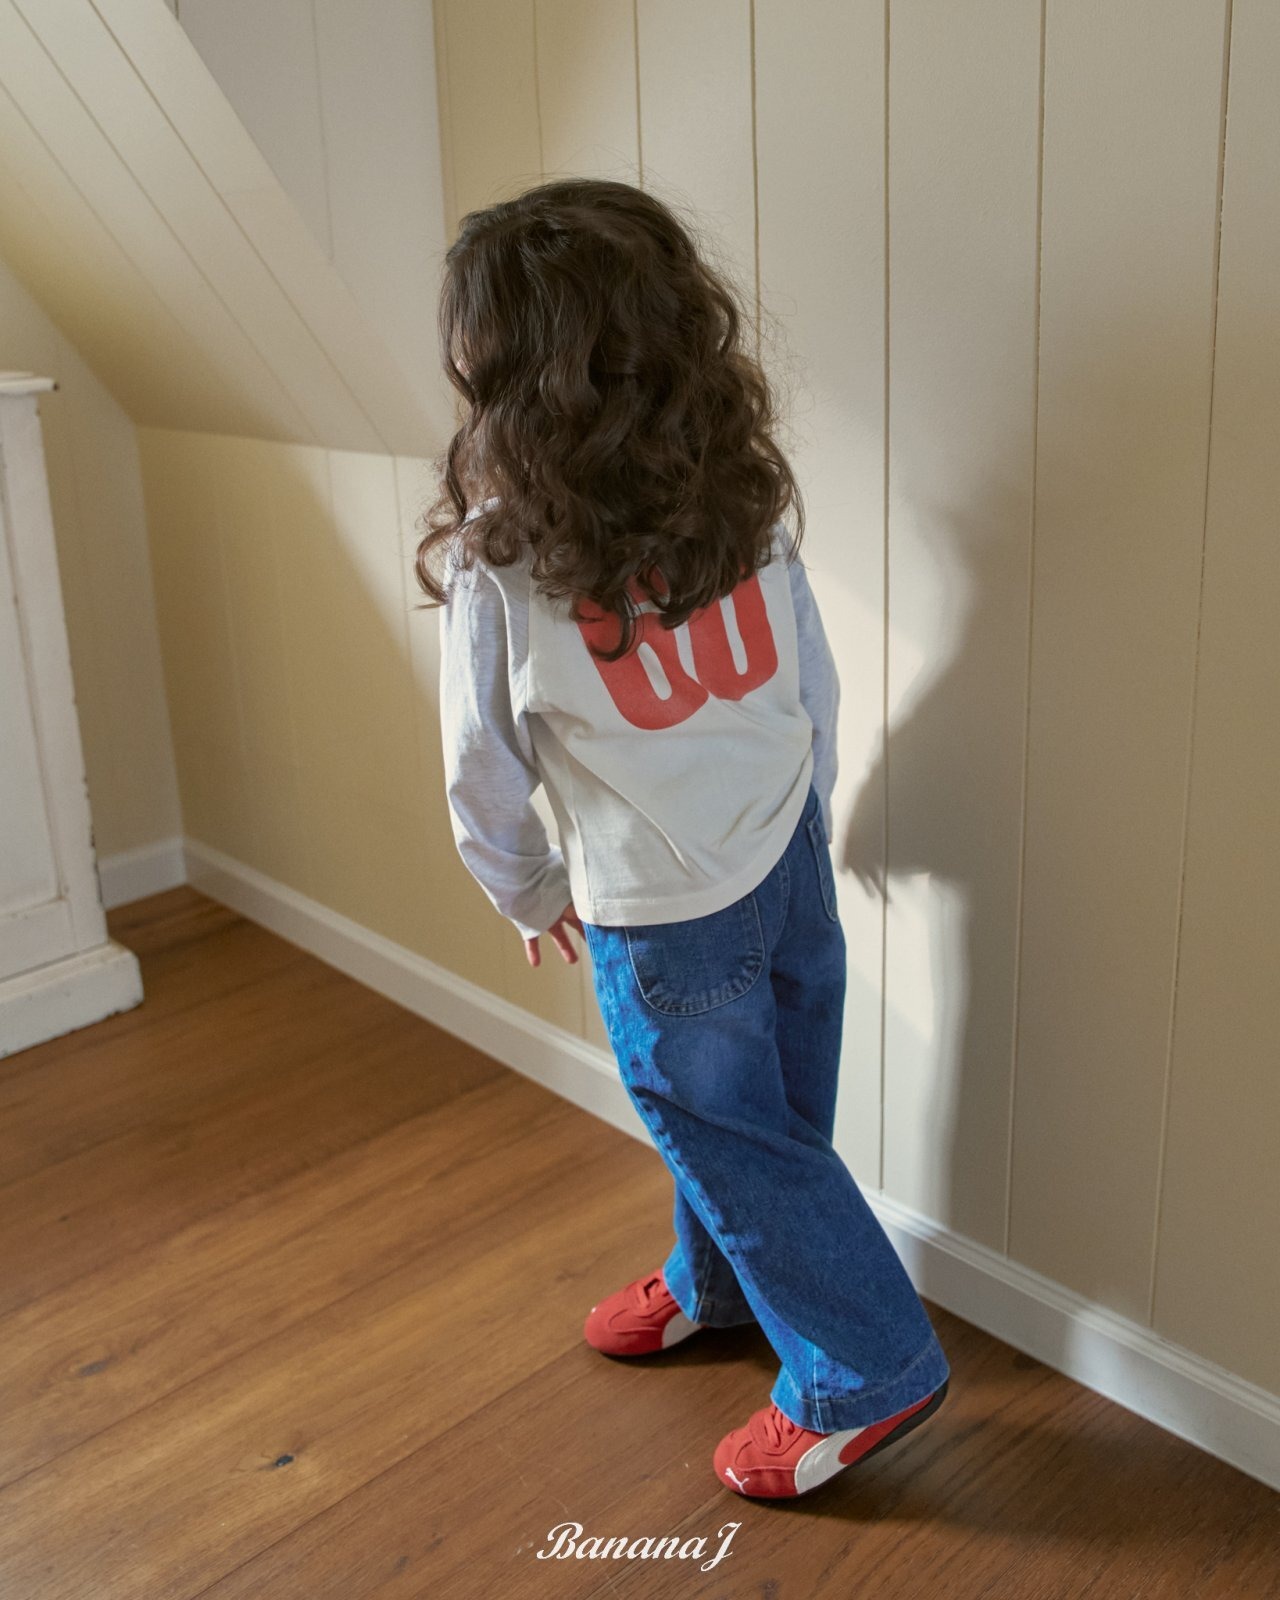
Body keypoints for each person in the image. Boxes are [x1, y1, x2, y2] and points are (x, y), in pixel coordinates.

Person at [415, 177, 949, 1499]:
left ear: (502, 371)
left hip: (664, 916)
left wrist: (523, 885)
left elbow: (480, 763)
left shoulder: (503, 557)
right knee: (767, 1116)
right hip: (785, 856)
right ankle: (720, 1288)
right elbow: (810, 682)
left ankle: (866, 1368)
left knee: (733, 1134)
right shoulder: (736, 494)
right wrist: (805, 807)